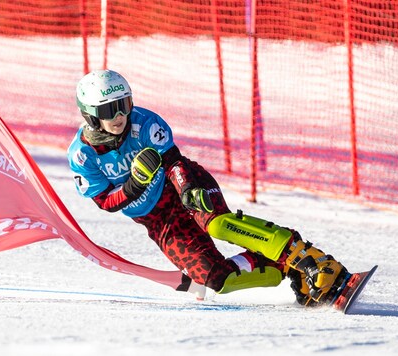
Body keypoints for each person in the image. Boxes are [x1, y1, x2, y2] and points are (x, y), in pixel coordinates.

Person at [67, 69, 348, 306]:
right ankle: (286, 267)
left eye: (124, 104)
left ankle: (308, 257)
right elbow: (105, 202)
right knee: (217, 279)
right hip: (158, 220)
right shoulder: (83, 155)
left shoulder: (144, 123)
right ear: (91, 115)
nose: (119, 115)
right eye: (108, 109)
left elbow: (174, 161)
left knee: (217, 224)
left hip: (181, 186)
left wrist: (187, 188)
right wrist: (134, 184)